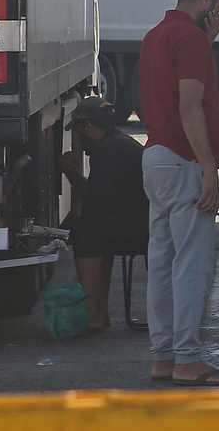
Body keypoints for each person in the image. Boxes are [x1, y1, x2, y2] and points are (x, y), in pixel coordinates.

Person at [138, 0, 219, 387]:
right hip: (182, 161)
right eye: (218, 9)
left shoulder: (157, 35)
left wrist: (207, 44)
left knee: (161, 263)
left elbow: (168, 86)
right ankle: (189, 360)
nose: (218, 17)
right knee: (192, 264)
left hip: (156, 159)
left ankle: (163, 356)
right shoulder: (191, 40)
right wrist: (209, 168)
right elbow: (190, 106)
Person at [60, 94, 149, 332]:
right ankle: (100, 312)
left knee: (86, 232)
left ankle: (94, 314)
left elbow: (95, 206)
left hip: (145, 228)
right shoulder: (118, 143)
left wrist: (73, 175)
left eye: (78, 131)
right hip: (145, 222)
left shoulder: (108, 152)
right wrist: (74, 174)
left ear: (87, 127)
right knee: (95, 229)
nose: (78, 138)